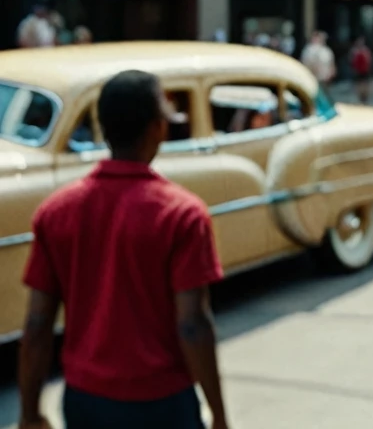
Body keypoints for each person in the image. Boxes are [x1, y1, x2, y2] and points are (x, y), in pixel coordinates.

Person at [19, 70, 227, 429]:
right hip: (163, 403)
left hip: (86, 400)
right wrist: (219, 417)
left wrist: (29, 413)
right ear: (156, 130)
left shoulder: (56, 212)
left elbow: (38, 322)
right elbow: (192, 324)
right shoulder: (182, 214)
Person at [350, 36, 373, 104]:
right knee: (362, 83)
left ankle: (363, 96)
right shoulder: (364, 50)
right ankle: (363, 96)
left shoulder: (355, 51)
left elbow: (351, 60)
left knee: (361, 83)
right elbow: (369, 59)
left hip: (361, 70)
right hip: (362, 70)